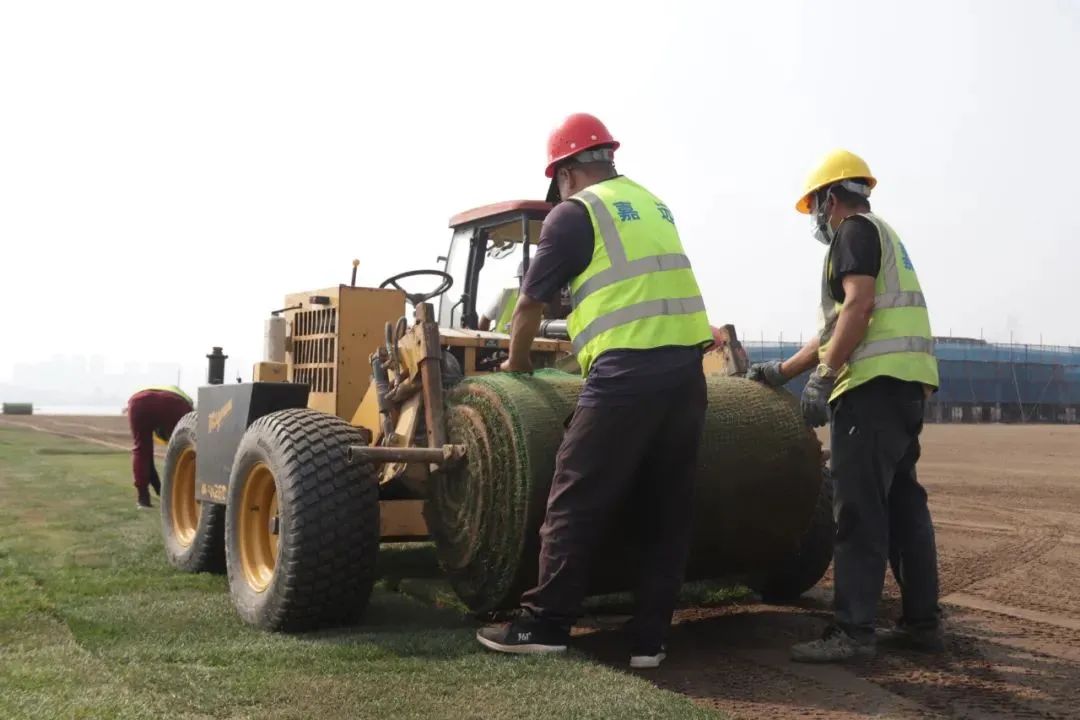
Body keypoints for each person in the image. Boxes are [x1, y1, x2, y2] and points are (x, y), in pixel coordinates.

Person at [475, 113, 713, 669]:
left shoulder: (574, 213)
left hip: (627, 374)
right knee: (666, 507)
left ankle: (545, 623)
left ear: (565, 174)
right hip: (687, 373)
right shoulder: (653, 205)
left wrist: (515, 364)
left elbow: (530, 304)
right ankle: (649, 640)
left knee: (575, 495)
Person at [747, 149, 942, 663]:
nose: (815, 217)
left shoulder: (853, 232)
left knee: (857, 510)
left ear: (831, 199)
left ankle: (853, 632)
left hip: (871, 390)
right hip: (906, 387)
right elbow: (836, 326)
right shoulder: (883, 234)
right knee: (903, 506)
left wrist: (826, 376)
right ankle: (922, 622)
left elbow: (858, 306)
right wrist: (783, 372)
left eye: (815, 205)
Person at [126, 385, 194, 509]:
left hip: (137, 401)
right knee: (183, 451)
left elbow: (146, 458)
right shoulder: (188, 407)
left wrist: (159, 489)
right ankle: (179, 495)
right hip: (173, 402)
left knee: (141, 450)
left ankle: (143, 500)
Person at [478, 262, 524, 332]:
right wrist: (487, 341)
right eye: (522, 278)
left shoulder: (543, 301)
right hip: (501, 342)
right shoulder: (505, 296)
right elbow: (484, 321)